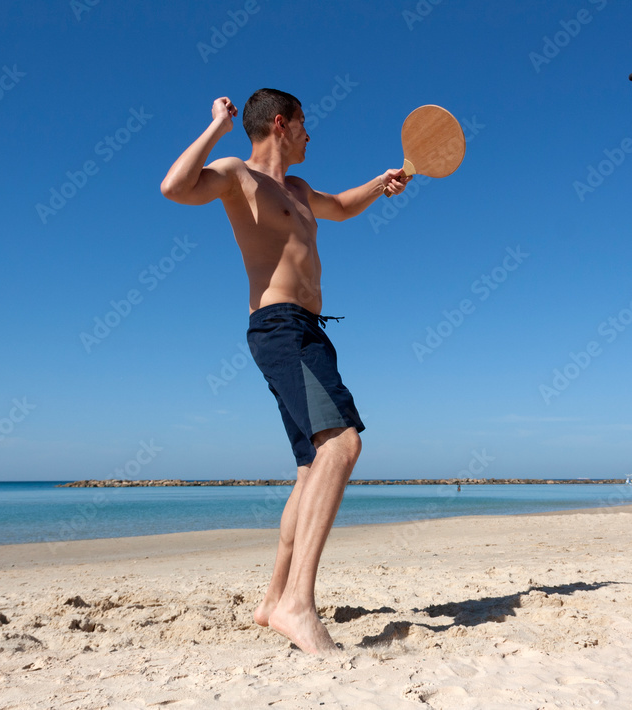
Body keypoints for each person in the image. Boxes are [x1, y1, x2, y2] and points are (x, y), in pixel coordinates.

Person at [160, 90, 408, 655]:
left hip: (308, 330)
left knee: (311, 466)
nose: (309, 135)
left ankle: (274, 599)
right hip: (280, 327)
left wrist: (382, 182)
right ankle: (299, 603)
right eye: (304, 124)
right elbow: (174, 187)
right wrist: (217, 127)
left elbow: (340, 206)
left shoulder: (297, 189)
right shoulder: (236, 174)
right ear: (281, 123)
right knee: (342, 444)